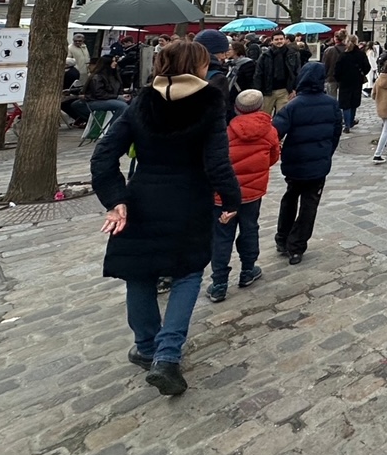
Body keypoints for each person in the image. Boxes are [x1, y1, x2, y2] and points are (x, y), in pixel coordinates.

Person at [90, 40, 242, 396]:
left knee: (139, 273)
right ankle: (167, 355)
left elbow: (104, 155)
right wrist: (232, 200)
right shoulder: (209, 101)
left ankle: (146, 347)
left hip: (142, 197)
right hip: (189, 199)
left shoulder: (143, 99)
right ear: (198, 67)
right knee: (187, 274)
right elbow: (218, 162)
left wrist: (116, 199)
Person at [207, 89, 280, 303]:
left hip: (223, 195)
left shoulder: (224, 132)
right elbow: (273, 157)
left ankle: (219, 283)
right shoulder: (270, 131)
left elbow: (213, 162)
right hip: (252, 194)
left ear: (237, 108)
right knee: (250, 229)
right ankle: (248, 270)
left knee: (222, 236)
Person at [272, 63, 341, 264]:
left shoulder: (293, 106)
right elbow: (336, 133)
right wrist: (326, 153)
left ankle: (282, 237)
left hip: (295, 162)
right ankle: (296, 246)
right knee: (309, 204)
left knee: (291, 198)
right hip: (318, 163)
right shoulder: (331, 104)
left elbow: (275, 132)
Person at [333, 35, 371, 133]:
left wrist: (339, 79)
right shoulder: (361, 54)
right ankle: (350, 121)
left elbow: (337, 70)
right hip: (356, 81)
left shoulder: (343, 55)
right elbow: (367, 67)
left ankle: (347, 124)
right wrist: (361, 73)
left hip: (345, 82)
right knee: (354, 102)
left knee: (345, 104)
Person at [257, 32, 300, 115]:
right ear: (272, 41)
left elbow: (297, 72)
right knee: (264, 116)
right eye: (276, 39)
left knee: (283, 116)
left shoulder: (293, 54)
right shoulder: (265, 55)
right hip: (267, 90)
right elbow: (259, 73)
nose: (279, 41)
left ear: (284, 40)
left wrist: (294, 89)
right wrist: (258, 91)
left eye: (281, 39)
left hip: (285, 90)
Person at [193, 29, 233, 112]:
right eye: (222, 52)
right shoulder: (218, 78)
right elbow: (221, 110)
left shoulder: (181, 70)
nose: (224, 57)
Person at [61, 58, 89, 126]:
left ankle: (77, 118)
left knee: (63, 104)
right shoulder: (75, 71)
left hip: (69, 93)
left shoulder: (68, 74)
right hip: (72, 91)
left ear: (66, 65)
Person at [321, 30, 347, 96]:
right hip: (345, 77)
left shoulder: (329, 50)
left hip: (331, 77)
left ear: (335, 38)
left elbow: (324, 65)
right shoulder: (348, 49)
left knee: (331, 98)